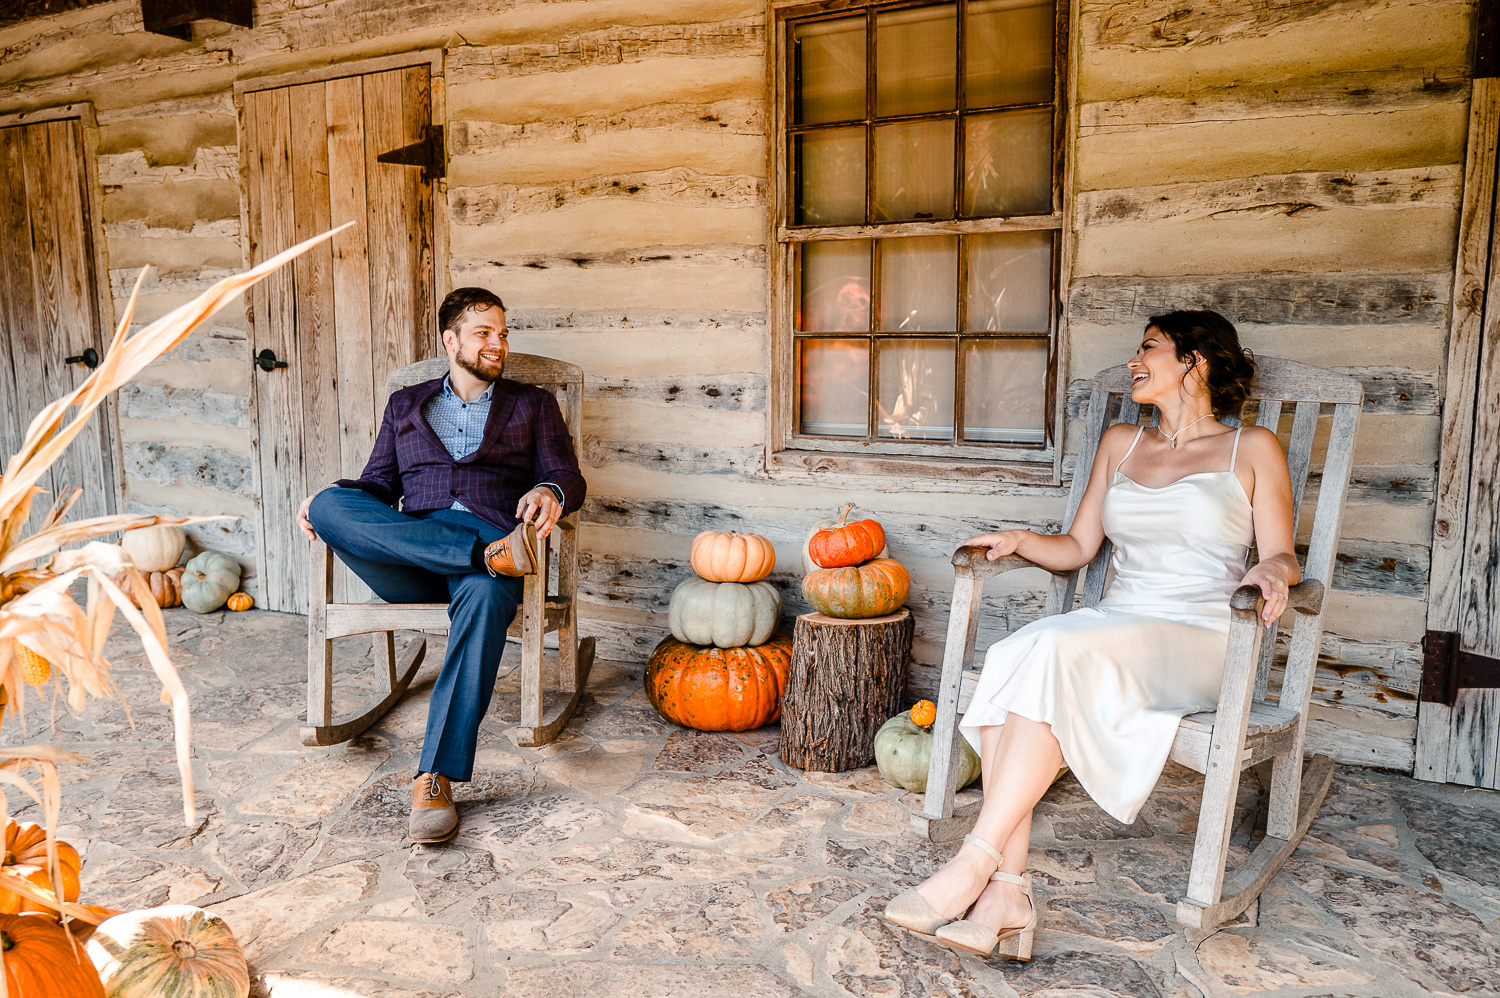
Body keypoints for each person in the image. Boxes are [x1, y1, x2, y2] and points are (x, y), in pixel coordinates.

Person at [885, 310, 1299, 959]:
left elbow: (1282, 554)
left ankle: (975, 862)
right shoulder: (1121, 443)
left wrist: (1271, 571)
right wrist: (1021, 539)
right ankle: (1008, 893)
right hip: (1119, 625)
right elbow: (1080, 546)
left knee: (1047, 648)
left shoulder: (1253, 449)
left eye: (1148, 350)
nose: (1134, 362)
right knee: (1016, 652)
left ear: (1196, 359)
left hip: (1201, 636)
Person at [296, 287, 585, 844]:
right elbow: (378, 484)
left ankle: (435, 777)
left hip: (491, 553)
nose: (497, 343)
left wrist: (550, 490)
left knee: (482, 592)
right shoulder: (406, 405)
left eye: (502, 333)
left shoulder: (532, 404)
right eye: (484, 333)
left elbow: (565, 475)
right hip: (420, 556)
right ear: (450, 340)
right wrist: (329, 504)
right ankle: (485, 557)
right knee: (330, 501)